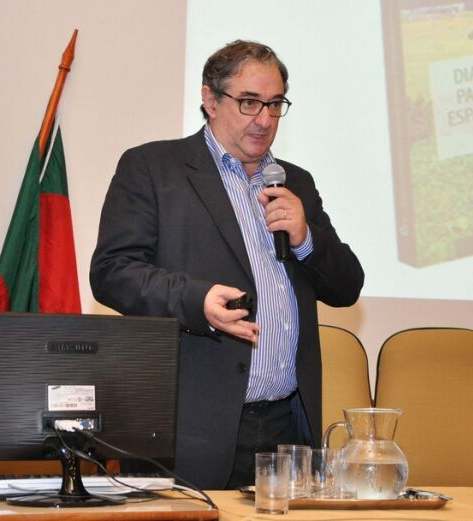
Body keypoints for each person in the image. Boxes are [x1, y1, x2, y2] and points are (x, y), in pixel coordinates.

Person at [90, 40, 364, 490]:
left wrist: (305, 238)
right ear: (210, 99)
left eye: (275, 104)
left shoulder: (296, 183)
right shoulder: (154, 168)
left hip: (288, 427)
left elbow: (346, 287)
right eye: (249, 102)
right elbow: (112, 273)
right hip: (193, 427)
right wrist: (196, 300)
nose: (265, 119)